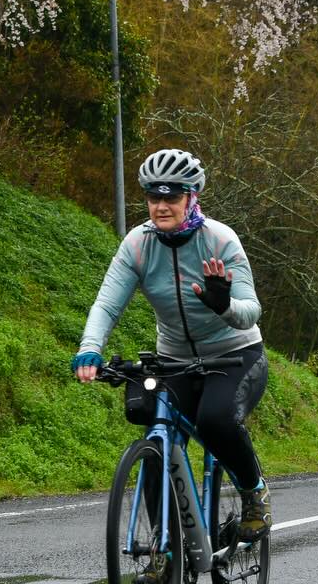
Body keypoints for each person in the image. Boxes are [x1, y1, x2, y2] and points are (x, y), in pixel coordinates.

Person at [73, 148, 269, 581]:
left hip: (236, 355)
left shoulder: (220, 240)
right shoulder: (138, 245)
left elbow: (251, 310)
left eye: (173, 196)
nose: (161, 206)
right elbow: (107, 303)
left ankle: (254, 493)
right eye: (153, 197)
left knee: (216, 419)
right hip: (175, 360)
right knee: (154, 429)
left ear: (191, 198)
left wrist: (223, 305)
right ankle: (166, 553)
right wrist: (91, 347)